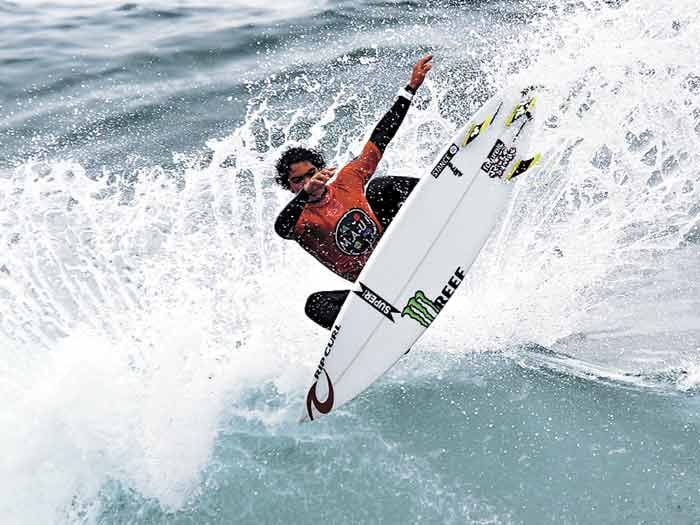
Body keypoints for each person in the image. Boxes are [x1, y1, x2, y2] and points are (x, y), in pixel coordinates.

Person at [274, 54, 433, 329]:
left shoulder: (347, 179)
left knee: (381, 188)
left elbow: (381, 137)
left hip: (400, 253)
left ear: (323, 170)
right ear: (290, 188)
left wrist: (410, 89)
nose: (308, 181)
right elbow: (281, 228)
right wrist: (304, 196)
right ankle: (377, 334)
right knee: (316, 305)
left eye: (312, 173)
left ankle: (446, 202)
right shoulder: (300, 221)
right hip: (374, 291)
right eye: (298, 181)